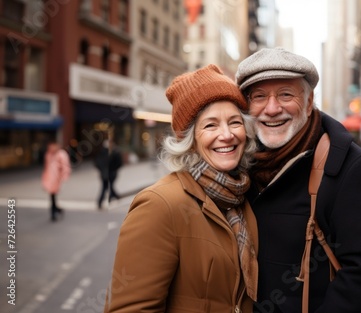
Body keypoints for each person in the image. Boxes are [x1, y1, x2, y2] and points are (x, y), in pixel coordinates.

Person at [235, 47, 361, 312]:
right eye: (259, 96)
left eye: (285, 94)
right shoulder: (239, 166)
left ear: (309, 103)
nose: (272, 109)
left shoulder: (349, 167)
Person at [104, 64, 258, 312]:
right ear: (190, 141)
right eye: (210, 125)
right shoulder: (159, 204)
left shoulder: (240, 197)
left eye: (235, 122)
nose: (227, 135)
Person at [41, 141, 72, 222]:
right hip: (49, 179)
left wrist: (65, 177)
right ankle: (56, 211)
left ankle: (54, 212)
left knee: (53, 195)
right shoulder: (48, 154)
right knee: (52, 196)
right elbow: (46, 168)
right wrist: (44, 179)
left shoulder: (61, 154)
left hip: (57, 179)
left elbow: (65, 166)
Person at [94, 139, 123, 209]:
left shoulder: (114, 152)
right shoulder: (104, 152)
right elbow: (98, 162)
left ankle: (111, 197)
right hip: (106, 174)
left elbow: (119, 163)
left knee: (107, 187)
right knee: (106, 187)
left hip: (110, 173)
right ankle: (114, 197)